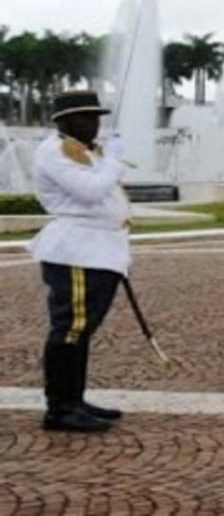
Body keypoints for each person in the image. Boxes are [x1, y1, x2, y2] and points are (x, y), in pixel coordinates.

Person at [27, 91, 130, 432]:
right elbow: (91, 191)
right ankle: (59, 408)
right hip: (76, 251)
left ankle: (75, 399)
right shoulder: (54, 152)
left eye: (97, 117)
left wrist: (107, 160)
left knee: (82, 330)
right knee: (70, 329)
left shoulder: (83, 151)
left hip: (97, 250)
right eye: (86, 118)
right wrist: (114, 162)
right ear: (64, 121)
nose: (94, 124)